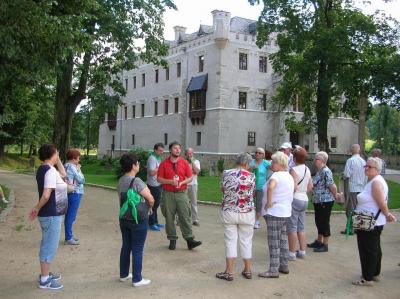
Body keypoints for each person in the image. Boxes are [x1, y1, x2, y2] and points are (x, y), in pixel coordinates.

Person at [352, 157, 396, 286]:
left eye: (369, 167)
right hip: (368, 220)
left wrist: (387, 214)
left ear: (377, 169)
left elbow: (381, 202)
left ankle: (367, 277)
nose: (366, 168)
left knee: (367, 249)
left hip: (370, 221)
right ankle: (373, 273)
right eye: (365, 166)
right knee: (374, 248)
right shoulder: (374, 180)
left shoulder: (376, 182)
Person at [29, 144, 68, 290]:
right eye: (57, 153)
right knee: (49, 245)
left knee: (48, 243)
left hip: (51, 214)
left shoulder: (44, 168)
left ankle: (45, 274)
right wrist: (36, 208)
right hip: (51, 214)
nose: (58, 154)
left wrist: (57, 160)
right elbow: (46, 195)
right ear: (52, 154)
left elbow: (63, 175)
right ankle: (44, 280)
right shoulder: (50, 171)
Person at [216, 153, 255, 281]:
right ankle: (248, 270)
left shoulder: (226, 173)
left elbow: (222, 189)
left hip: (229, 211)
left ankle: (230, 272)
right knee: (246, 241)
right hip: (247, 212)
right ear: (246, 164)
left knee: (230, 241)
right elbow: (252, 192)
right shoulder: (251, 176)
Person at [117, 153, 155, 287]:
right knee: (138, 248)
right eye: (137, 163)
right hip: (138, 219)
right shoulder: (137, 182)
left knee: (126, 245)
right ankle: (137, 279)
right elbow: (150, 198)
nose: (138, 165)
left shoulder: (121, 180)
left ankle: (124, 274)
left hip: (124, 218)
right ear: (133, 166)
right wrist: (149, 208)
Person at [158, 141, 202, 250]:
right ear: (170, 150)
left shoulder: (184, 162)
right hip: (168, 194)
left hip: (182, 193)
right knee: (169, 217)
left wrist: (182, 182)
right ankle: (172, 240)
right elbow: (159, 179)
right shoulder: (164, 164)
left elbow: (191, 177)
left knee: (185, 216)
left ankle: (190, 240)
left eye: (179, 148)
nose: (178, 150)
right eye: (175, 148)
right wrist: (170, 182)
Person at [259, 151, 294, 278]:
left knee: (274, 242)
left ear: (280, 164)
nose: (271, 164)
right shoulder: (288, 176)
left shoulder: (276, 176)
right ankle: (283, 265)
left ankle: (273, 270)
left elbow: (271, 187)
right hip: (285, 212)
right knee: (283, 239)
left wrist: (268, 202)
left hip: (275, 212)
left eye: (273, 162)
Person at [307, 151, 341, 253]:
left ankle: (325, 244)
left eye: (316, 159)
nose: (314, 160)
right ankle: (319, 240)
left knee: (324, 222)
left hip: (325, 201)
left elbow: (332, 185)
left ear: (321, 160)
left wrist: (335, 195)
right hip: (318, 200)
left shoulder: (326, 171)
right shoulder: (320, 170)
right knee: (319, 221)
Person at [287, 147, 312, 260]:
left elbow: (294, 186)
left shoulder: (294, 170)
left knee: (292, 227)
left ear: (295, 158)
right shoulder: (307, 169)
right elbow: (310, 186)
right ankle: (302, 251)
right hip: (304, 198)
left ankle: (291, 253)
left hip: (295, 198)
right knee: (301, 227)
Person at [341, 144, 366, 235]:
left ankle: (350, 228)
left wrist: (342, 176)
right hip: (361, 188)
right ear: (359, 150)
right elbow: (366, 176)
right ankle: (357, 227)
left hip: (352, 188)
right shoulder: (363, 161)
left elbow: (347, 174)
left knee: (350, 209)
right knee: (359, 208)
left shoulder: (350, 160)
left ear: (351, 150)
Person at [64, 149, 85, 245]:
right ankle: (68, 238)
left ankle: (69, 236)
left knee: (70, 215)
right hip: (75, 193)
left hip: (69, 192)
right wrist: (80, 170)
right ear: (73, 159)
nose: (78, 161)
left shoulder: (65, 165)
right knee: (71, 216)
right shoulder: (72, 167)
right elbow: (81, 180)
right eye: (78, 159)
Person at [249, 148, 271, 229]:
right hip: (250, 187)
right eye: (256, 152)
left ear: (263, 155)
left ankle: (257, 221)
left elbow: (274, 169)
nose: (257, 154)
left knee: (259, 205)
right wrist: (252, 168)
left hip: (261, 187)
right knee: (249, 204)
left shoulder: (266, 163)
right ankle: (249, 220)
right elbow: (246, 171)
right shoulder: (251, 162)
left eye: (260, 153)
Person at [146, 143, 165, 231]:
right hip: (153, 185)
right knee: (152, 204)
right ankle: (151, 223)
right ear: (155, 150)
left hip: (158, 183)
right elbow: (151, 172)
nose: (161, 152)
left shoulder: (157, 157)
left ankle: (155, 222)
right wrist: (160, 167)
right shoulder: (152, 158)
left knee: (156, 204)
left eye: (162, 150)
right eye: (160, 150)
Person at [185, 148, 201, 226]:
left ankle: (195, 219)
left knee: (194, 203)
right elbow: (185, 173)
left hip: (193, 184)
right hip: (184, 184)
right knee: (183, 203)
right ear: (185, 154)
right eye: (188, 153)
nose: (189, 155)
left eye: (191, 153)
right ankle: (181, 219)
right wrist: (191, 172)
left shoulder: (196, 161)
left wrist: (192, 162)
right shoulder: (183, 161)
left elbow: (196, 172)